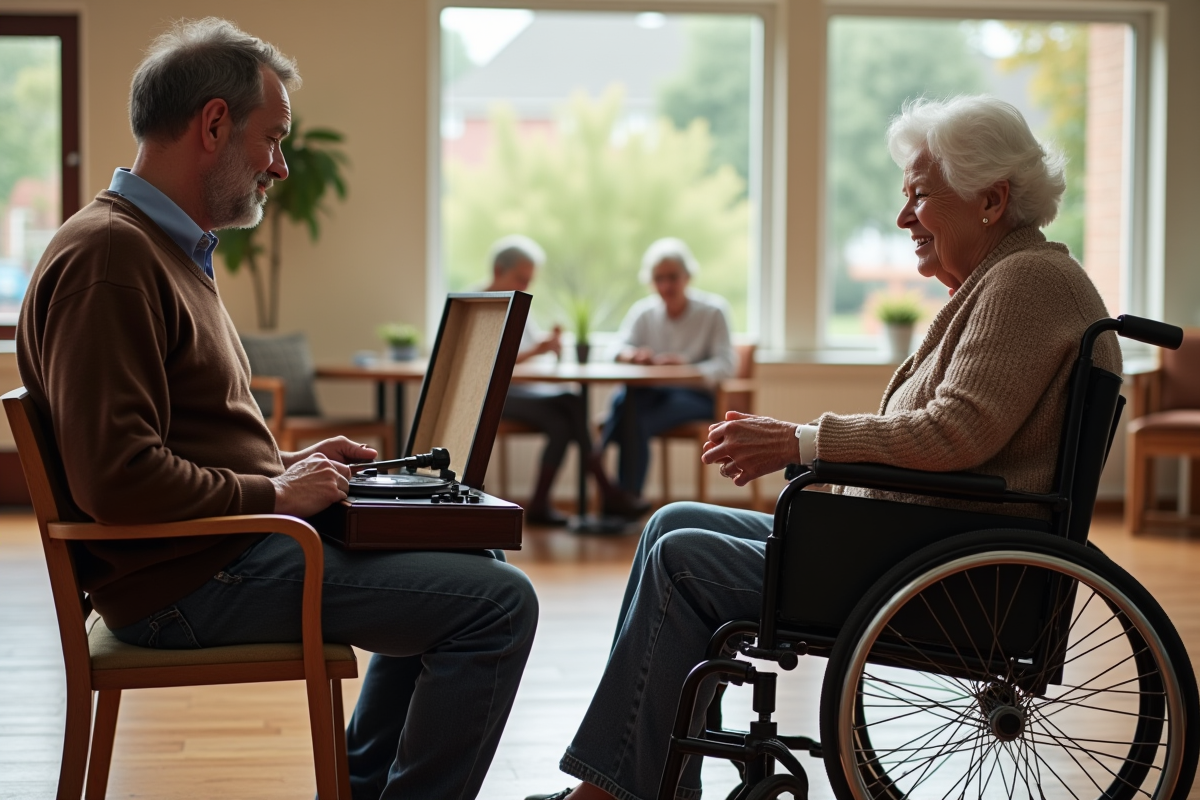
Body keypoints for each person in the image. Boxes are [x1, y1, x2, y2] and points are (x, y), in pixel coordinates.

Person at [526, 95, 1121, 800]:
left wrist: (799, 442)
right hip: (913, 543)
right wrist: (804, 447)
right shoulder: (1008, 279)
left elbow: (953, 433)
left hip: (941, 570)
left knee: (682, 561)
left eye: (920, 197)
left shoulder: (1026, 282)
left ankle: (617, 792)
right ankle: (654, 781)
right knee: (671, 522)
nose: (904, 219)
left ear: (991, 200)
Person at [16, 19, 536, 800]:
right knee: (498, 605)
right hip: (185, 583)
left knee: (468, 559)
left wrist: (287, 467)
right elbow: (117, 478)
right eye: (274, 138)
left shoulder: (157, 249)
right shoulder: (111, 260)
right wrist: (271, 494)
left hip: (210, 554)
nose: (282, 165)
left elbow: (169, 442)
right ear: (214, 124)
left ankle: (365, 789)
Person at [486, 235, 649, 522]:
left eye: (529, 280)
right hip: (491, 397)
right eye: (520, 278)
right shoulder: (481, 306)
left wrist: (547, 344)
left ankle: (539, 504)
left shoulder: (517, 304)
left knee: (562, 421)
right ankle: (606, 489)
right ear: (499, 271)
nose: (525, 286)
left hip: (518, 392)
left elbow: (526, 349)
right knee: (571, 401)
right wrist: (537, 349)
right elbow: (489, 366)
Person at [600, 238, 736, 498]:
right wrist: (632, 356)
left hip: (697, 398)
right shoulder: (644, 312)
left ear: (687, 276)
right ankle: (624, 500)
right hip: (651, 395)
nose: (665, 285)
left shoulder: (713, 311)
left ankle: (616, 484)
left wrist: (686, 368)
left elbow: (726, 366)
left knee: (631, 413)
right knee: (628, 401)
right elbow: (614, 349)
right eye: (658, 278)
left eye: (672, 277)